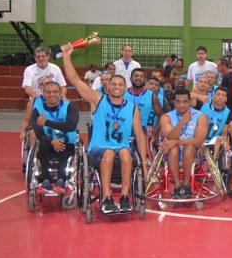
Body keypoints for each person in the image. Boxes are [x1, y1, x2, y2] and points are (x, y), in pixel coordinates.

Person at [61, 43, 148, 214]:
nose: (116, 87)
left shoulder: (132, 108)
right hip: (99, 147)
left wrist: (144, 163)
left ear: (126, 88)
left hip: (121, 147)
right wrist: (66, 56)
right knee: (108, 153)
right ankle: (106, 197)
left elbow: (139, 135)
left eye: (120, 85)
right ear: (108, 86)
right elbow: (76, 81)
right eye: (113, 84)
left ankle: (124, 196)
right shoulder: (98, 100)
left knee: (125, 152)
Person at [29, 81, 79, 194]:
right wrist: (52, 141)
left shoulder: (70, 107)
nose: (52, 95)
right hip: (47, 143)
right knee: (43, 144)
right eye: (48, 92)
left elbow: (71, 126)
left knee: (61, 143)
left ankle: (60, 181)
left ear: (60, 93)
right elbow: (38, 132)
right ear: (44, 94)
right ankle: (46, 180)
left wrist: (47, 122)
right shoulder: (38, 110)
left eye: (55, 92)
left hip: (67, 143)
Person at [160, 88, 210, 199]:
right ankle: (177, 186)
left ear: (190, 102)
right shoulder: (166, 117)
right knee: (173, 149)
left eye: (185, 101)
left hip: (193, 152)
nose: (181, 105)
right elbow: (170, 137)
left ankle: (186, 185)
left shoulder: (201, 116)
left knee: (189, 147)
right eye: (178, 101)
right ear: (173, 102)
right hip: (172, 151)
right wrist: (182, 122)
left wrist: (177, 141)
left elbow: (198, 142)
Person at [124, 68, 164, 133]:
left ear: (145, 80)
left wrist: (154, 134)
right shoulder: (123, 94)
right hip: (125, 131)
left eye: (141, 76)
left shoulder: (152, 95)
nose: (139, 78)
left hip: (144, 132)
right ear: (130, 78)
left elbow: (161, 116)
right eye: (136, 76)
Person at [201, 87, 232, 160]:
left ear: (226, 99)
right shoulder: (204, 106)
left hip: (215, 139)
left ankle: (213, 160)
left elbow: (224, 132)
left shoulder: (228, 112)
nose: (220, 97)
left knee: (220, 139)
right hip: (201, 137)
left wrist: (225, 142)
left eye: (223, 95)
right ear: (214, 96)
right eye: (218, 94)